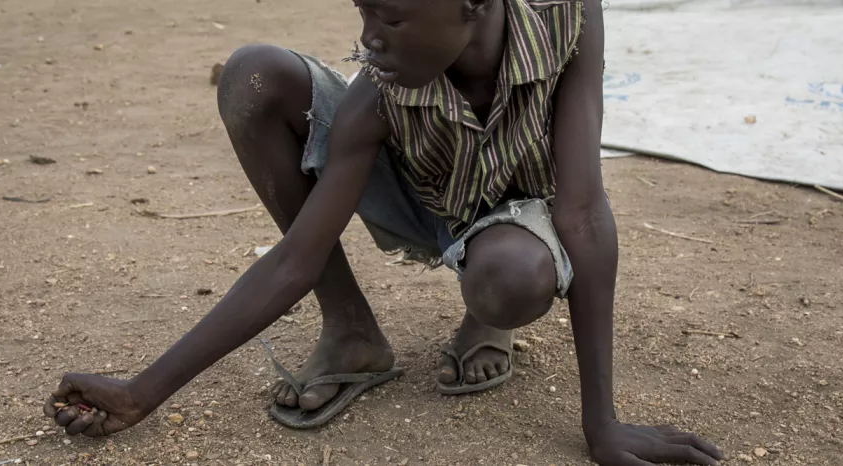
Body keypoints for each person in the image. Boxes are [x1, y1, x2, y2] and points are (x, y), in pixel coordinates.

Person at [43, 0, 725, 464]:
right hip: (416, 186)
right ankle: (352, 332)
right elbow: (293, 262)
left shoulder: (566, 15)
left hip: (513, 216)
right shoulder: (379, 90)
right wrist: (141, 393)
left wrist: (601, 425)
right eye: (363, 10)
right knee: (254, 75)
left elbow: (581, 210)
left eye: (392, 16)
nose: (369, 39)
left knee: (511, 280)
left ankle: (487, 314)